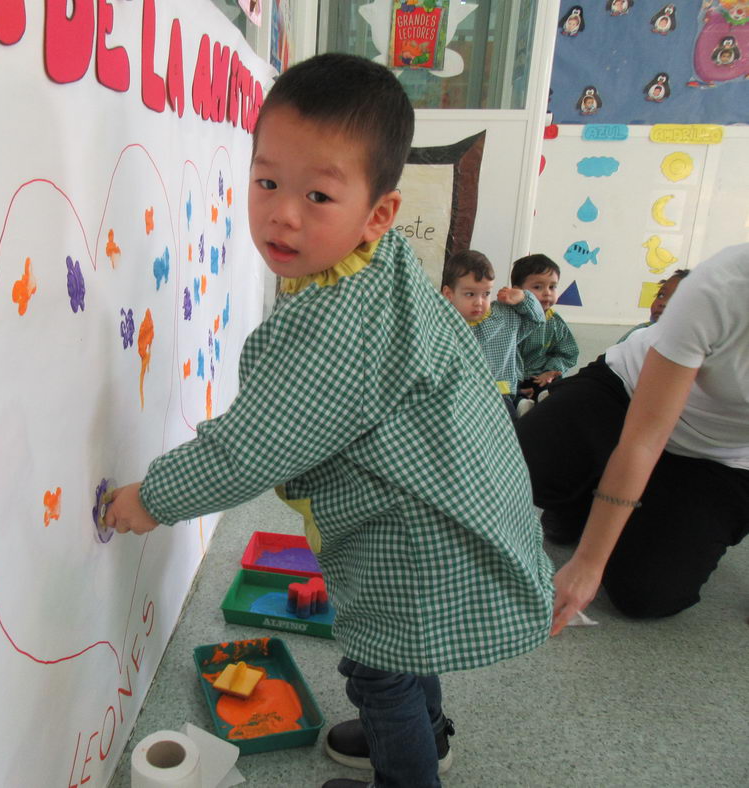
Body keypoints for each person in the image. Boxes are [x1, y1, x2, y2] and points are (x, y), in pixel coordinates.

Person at [106, 53, 553, 788]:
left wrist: (149, 500)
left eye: (317, 195)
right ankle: (427, 734)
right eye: (266, 182)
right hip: (451, 504)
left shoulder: (335, 322)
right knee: (408, 651)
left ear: (377, 212)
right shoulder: (381, 261)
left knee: (380, 671)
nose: (282, 213)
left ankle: (407, 772)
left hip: (414, 537)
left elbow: (243, 451)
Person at [516, 245, 749, 633]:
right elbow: (645, 438)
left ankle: (640, 501)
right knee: (517, 470)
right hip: (627, 396)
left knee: (646, 595)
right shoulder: (724, 284)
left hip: (721, 457)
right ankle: (588, 496)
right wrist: (588, 563)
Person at [440, 250, 545, 420]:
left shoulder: (505, 316)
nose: (479, 302)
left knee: (510, 437)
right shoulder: (442, 322)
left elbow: (538, 319)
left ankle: (520, 407)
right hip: (457, 399)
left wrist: (524, 298)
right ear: (448, 294)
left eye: (486, 293)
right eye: (470, 294)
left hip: (499, 398)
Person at [511, 253, 579, 407]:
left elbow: (567, 353)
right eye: (537, 287)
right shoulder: (509, 319)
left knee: (559, 386)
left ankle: (545, 399)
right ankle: (521, 405)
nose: (547, 292)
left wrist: (551, 371)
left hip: (541, 375)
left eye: (552, 286)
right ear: (517, 291)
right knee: (502, 391)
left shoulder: (555, 322)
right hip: (512, 376)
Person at [616, 268, 690, 342]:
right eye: (661, 295)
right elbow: (611, 353)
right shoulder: (641, 330)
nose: (662, 303)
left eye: (675, 298)